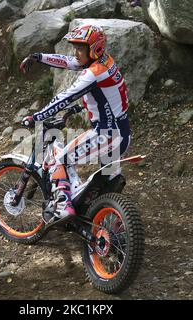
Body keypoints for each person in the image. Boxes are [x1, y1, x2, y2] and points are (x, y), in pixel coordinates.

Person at [19, 25, 131, 226]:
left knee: (59, 160)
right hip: (123, 133)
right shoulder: (105, 61)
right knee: (107, 185)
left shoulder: (93, 73)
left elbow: (64, 98)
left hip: (105, 135)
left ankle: (63, 207)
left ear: (93, 49)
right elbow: (70, 62)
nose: (75, 53)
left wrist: (36, 117)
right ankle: (114, 227)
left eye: (80, 48)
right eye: (75, 47)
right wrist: (39, 57)